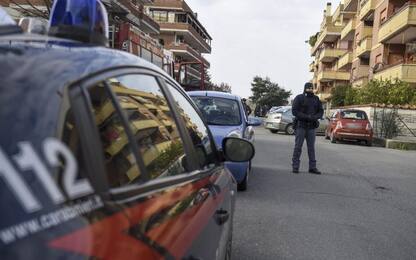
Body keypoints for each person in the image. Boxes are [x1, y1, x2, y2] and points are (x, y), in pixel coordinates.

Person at [292, 82, 324, 174]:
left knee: (311, 148)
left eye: (311, 88)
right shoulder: (299, 98)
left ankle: (312, 167)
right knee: (298, 147)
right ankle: (295, 166)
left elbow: (320, 111)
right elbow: (294, 111)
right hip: (301, 126)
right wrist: (307, 117)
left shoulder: (316, 99)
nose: (310, 89)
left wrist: (315, 117)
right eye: (308, 88)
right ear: (305, 88)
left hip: (311, 127)